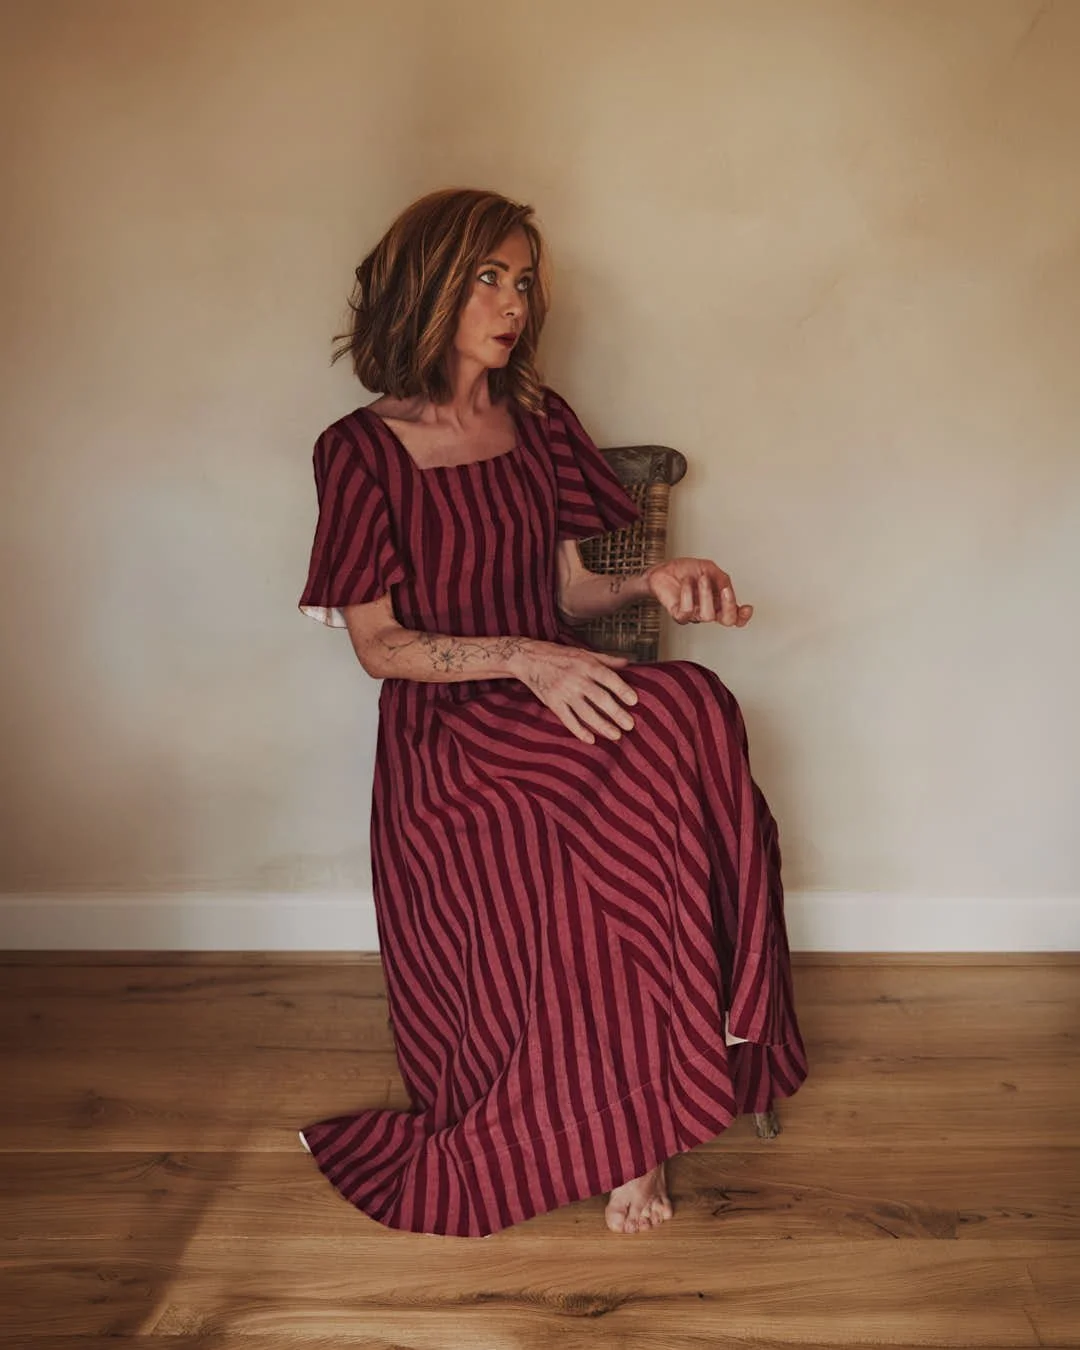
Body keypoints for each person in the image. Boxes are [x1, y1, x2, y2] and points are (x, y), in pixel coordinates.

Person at [297, 187, 807, 1238]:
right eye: (488, 276)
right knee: (636, 777)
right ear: (426, 284)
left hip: (557, 703)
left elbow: (571, 593)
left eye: (524, 280)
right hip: (451, 741)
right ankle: (637, 1121)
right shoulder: (356, 450)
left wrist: (651, 583)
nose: (513, 300)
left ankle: (659, 1103)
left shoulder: (538, 421)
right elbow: (378, 645)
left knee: (694, 708)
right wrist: (524, 659)